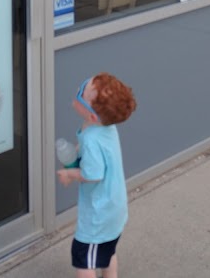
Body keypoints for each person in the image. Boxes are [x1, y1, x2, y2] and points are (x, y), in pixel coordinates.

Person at [57, 73, 137, 278]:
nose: (79, 88)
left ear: (92, 116)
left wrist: (69, 174)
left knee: (84, 260)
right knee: (106, 252)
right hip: (114, 209)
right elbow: (96, 152)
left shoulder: (92, 139)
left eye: (82, 91)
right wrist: (77, 151)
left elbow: (93, 174)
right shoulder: (106, 127)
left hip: (98, 216)